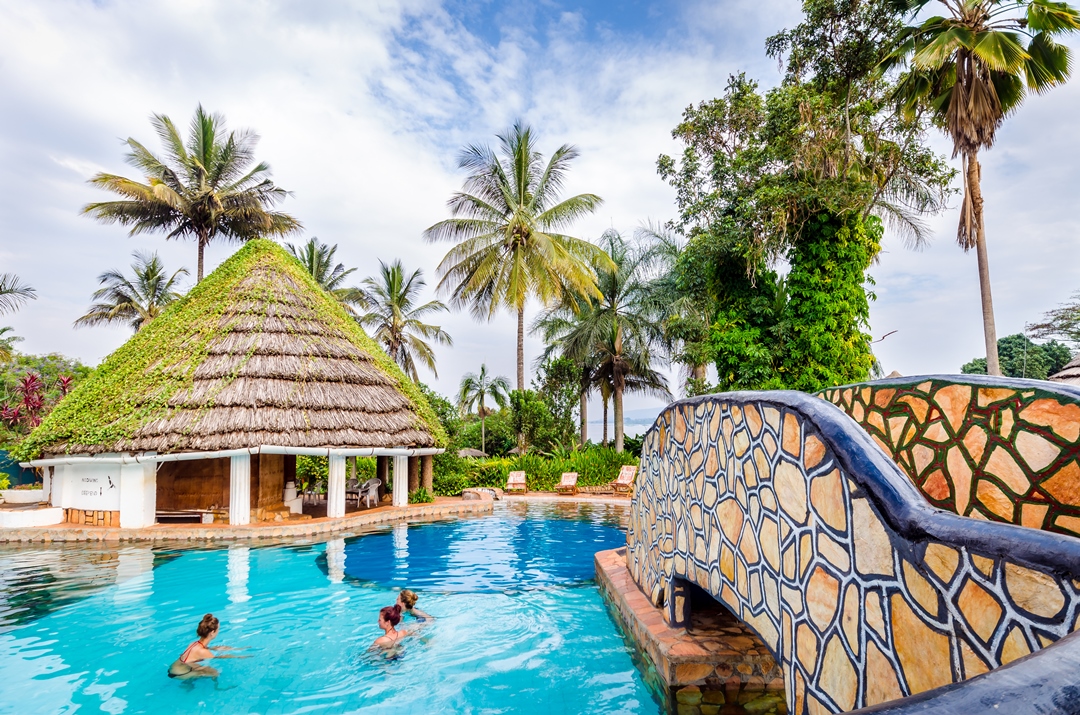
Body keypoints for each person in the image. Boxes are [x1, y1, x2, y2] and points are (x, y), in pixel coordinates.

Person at [168, 613, 244, 679]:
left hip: (174, 668)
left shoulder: (193, 643)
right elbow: (220, 657)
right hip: (180, 674)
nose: (218, 631)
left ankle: (189, 684)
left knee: (202, 668)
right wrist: (237, 656)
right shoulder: (204, 652)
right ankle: (218, 688)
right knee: (215, 673)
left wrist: (220, 648)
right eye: (218, 629)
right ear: (212, 632)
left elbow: (202, 650)